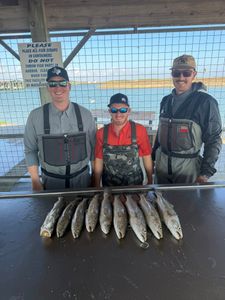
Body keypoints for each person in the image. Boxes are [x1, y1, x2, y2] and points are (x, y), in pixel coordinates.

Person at [152, 54, 222, 184]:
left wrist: (205, 173)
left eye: (186, 73)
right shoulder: (166, 101)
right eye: (176, 73)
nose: (181, 77)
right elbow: (160, 133)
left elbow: (213, 139)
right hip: (161, 168)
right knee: (159, 202)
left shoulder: (206, 102)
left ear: (194, 74)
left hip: (188, 170)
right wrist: (152, 159)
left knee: (186, 204)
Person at [24, 66, 96, 191]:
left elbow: (95, 149)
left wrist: (95, 178)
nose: (58, 88)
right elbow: (30, 150)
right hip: (51, 183)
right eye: (52, 84)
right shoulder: (35, 116)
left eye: (62, 83)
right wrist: (35, 180)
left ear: (69, 86)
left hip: (83, 181)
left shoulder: (86, 114)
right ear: (47, 88)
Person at [94, 93, 153, 187]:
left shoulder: (140, 130)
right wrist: (96, 185)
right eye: (114, 110)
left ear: (129, 111)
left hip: (135, 185)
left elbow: (147, 156)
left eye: (123, 110)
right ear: (109, 111)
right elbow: (99, 160)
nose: (118, 114)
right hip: (109, 187)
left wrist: (150, 181)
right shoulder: (101, 133)